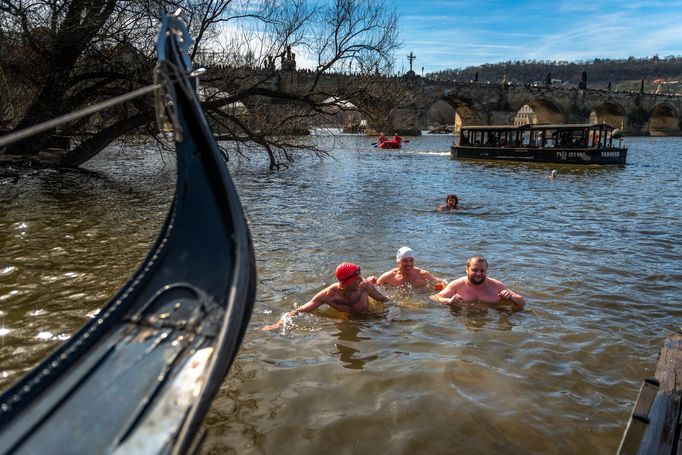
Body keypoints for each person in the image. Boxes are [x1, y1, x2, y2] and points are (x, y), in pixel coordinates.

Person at [262, 262, 389, 331]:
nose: (361, 280)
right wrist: (278, 324)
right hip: (349, 320)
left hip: (371, 316)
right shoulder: (328, 295)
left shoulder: (365, 286)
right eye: (357, 279)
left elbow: (385, 301)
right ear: (347, 282)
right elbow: (299, 311)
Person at [430, 256, 525, 307]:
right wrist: (449, 301)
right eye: (475, 270)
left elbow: (522, 302)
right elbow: (435, 297)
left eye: (482, 271)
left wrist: (510, 297)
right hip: (463, 319)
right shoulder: (457, 284)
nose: (479, 274)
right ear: (467, 270)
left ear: (486, 271)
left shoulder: (496, 285)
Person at [370, 247, 446, 291]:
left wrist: (441, 286)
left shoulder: (421, 274)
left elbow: (443, 281)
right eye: (405, 261)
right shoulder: (389, 276)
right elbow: (374, 287)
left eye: (411, 260)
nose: (409, 264)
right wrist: (371, 281)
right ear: (399, 262)